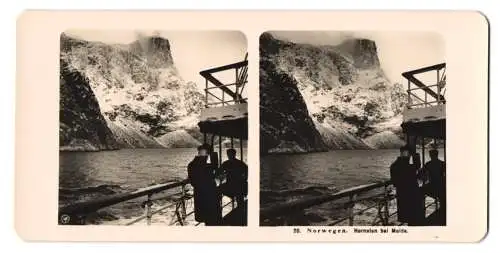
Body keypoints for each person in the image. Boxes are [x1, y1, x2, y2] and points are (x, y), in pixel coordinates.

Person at [187, 144, 222, 226]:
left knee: (207, 219)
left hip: (201, 196)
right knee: (211, 220)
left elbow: (193, 181)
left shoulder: (192, 165)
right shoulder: (206, 166)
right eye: (207, 153)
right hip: (209, 196)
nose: (207, 155)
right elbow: (213, 175)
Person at [390, 145, 425, 226]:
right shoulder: (408, 167)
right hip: (412, 196)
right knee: (414, 219)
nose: (409, 156)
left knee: (408, 218)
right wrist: (415, 155)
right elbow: (417, 166)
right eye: (409, 154)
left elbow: (395, 182)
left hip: (403, 195)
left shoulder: (394, 165)